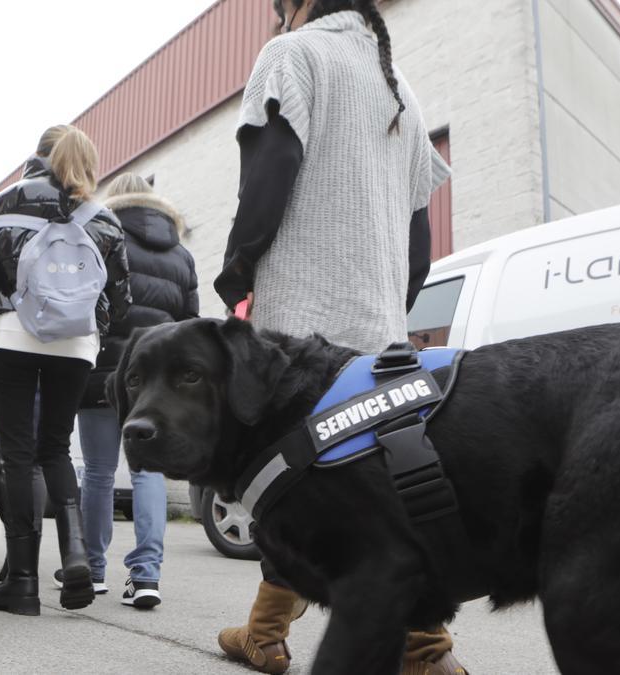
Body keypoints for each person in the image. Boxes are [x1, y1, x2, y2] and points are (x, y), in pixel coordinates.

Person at [213, 1, 459, 673]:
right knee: (375, 486)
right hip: (379, 326)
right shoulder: (397, 86)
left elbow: (269, 174)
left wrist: (236, 270)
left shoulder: (293, 56)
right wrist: (389, 306)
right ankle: (423, 650)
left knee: (291, 479)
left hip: (300, 319)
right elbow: (419, 239)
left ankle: (278, 635)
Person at [0, 124, 131, 615]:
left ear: (38, 157)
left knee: (16, 455)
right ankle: (75, 557)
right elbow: (119, 299)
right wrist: (88, 336)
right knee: (55, 448)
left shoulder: (7, 204)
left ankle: (23, 581)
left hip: (11, 337)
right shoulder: (105, 219)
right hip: (76, 345)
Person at [75, 173, 199, 608]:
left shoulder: (99, 237)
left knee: (97, 473)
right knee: (149, 473)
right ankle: (145, 577)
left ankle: (91, 573)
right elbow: (190, 325)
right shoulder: (182, 255)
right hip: (158, 385)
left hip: (101, 371)